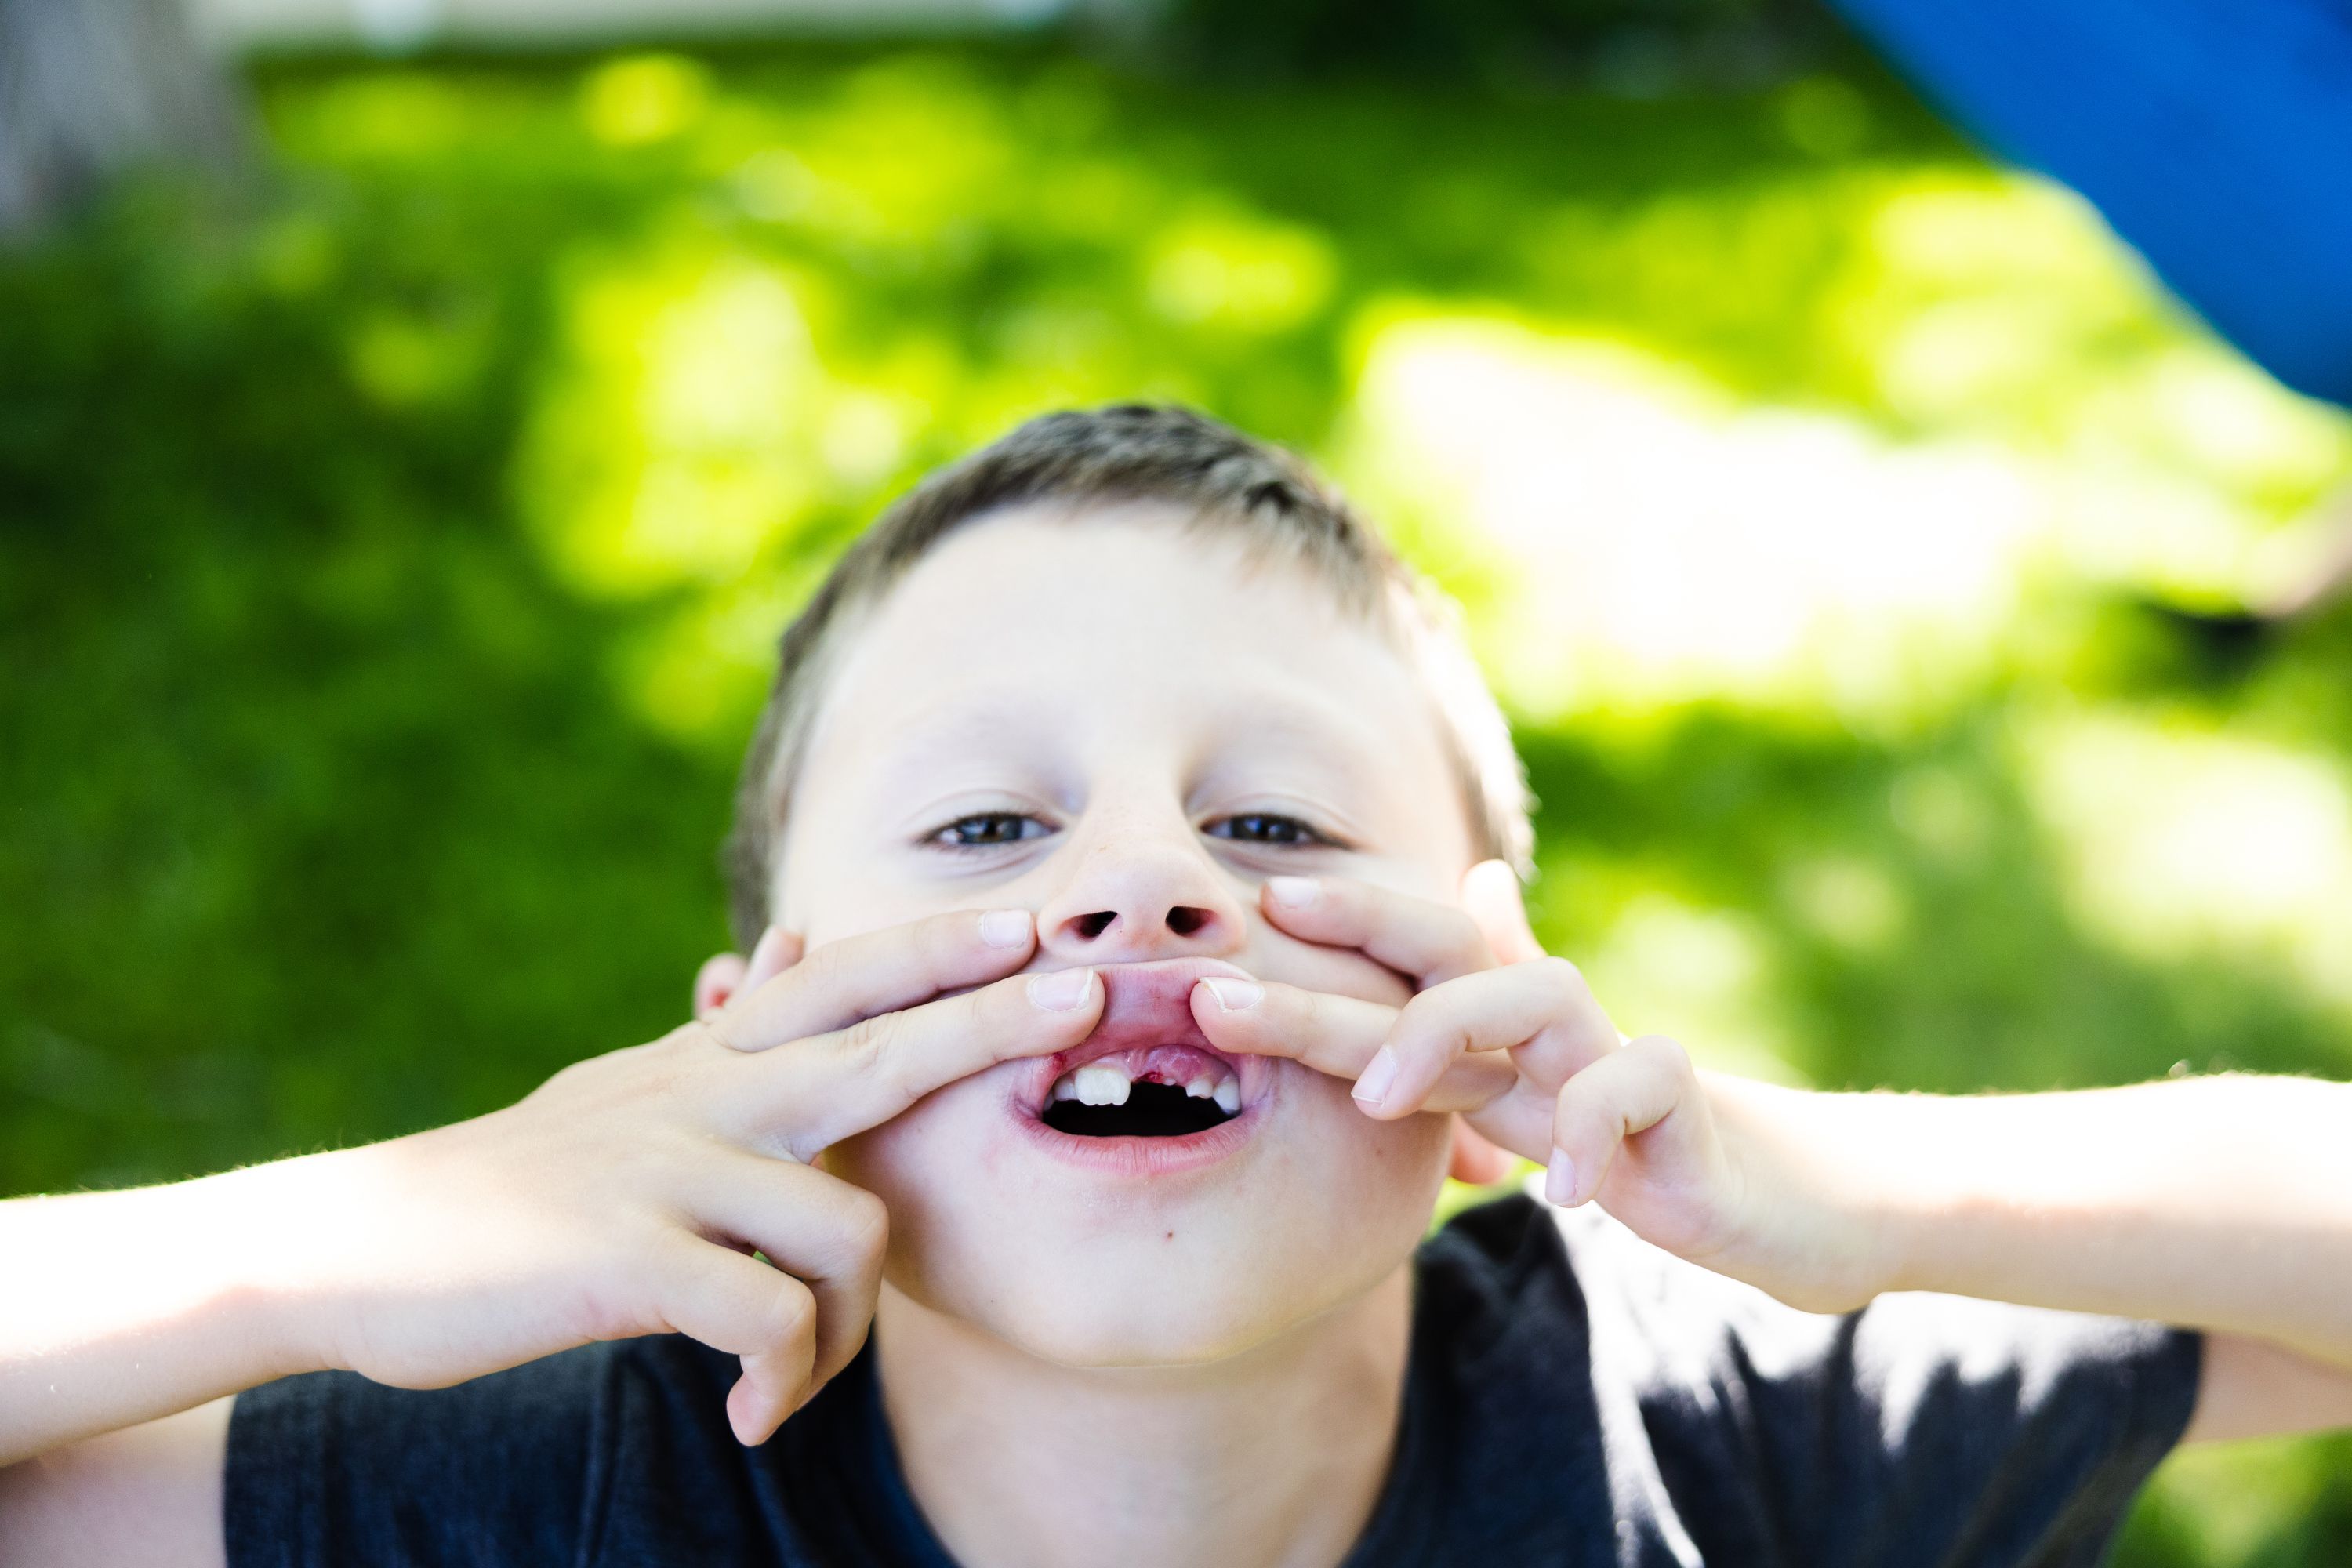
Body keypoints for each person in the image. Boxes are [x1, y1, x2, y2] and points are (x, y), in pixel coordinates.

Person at [4, 405, 2350, 1567]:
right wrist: (345, 1239)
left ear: (1485, 1045)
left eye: (1282, 830)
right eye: (992, 830)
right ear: (753, 1043)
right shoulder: (570, 1487)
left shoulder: (1701, 1421)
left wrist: (1840, 1187)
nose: (1143, 892)